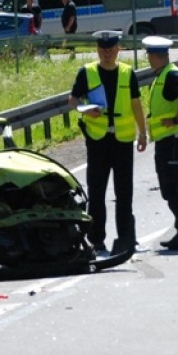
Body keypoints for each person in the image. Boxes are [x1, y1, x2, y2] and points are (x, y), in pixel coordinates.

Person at [67, 30, 148, 255]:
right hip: (98, 141)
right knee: (97, 191)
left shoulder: (127, 73)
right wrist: (84, 109)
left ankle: (125, 238)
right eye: (103, 50)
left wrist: (143, 133)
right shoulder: (87, 72)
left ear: (118, 50)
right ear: (97, 50)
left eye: (111, 50)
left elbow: (135, 104)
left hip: (122, 140)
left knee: (124, 193)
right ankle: (96, 238)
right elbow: (73, 99)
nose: (107, 54)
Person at [143, 36, 178, 250]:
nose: (148, 59)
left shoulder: (171, 75)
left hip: (173, 140)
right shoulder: (162, 75)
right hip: (165, 141)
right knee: (168, 189)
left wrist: (176, 119)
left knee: (173, 188)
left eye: (149, 55)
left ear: (155, 56)